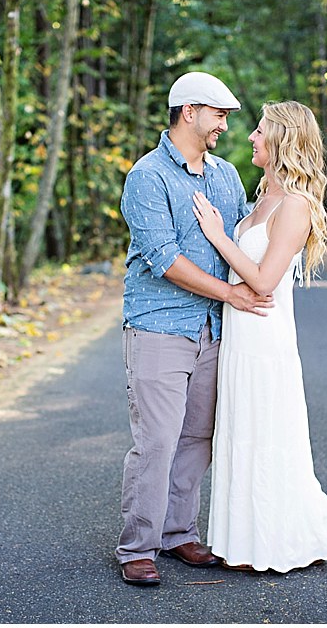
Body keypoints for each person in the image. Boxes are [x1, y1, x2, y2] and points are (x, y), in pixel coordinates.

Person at [116, 72, 274, 586]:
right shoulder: (148, 176)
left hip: (213, 329)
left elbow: (244, 238)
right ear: (189, 111)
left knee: (198, 436)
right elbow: (164, 258)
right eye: (219, 115)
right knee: (157, 439)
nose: (226, 125)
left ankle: (178, 532)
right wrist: (231, 293)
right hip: (160, 325)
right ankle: (137, 546)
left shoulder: (226, 174)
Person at [192, 100, 327, 573]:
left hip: (265, 339)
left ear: (283, 139)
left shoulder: (296, 205)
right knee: (241, 433)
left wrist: (218, 235)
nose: (250, 136)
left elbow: (265, 281)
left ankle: (280, 538)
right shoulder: (263, 194)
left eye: (260, 130)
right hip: (240, 335)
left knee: (266, 436)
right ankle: (246, 541)